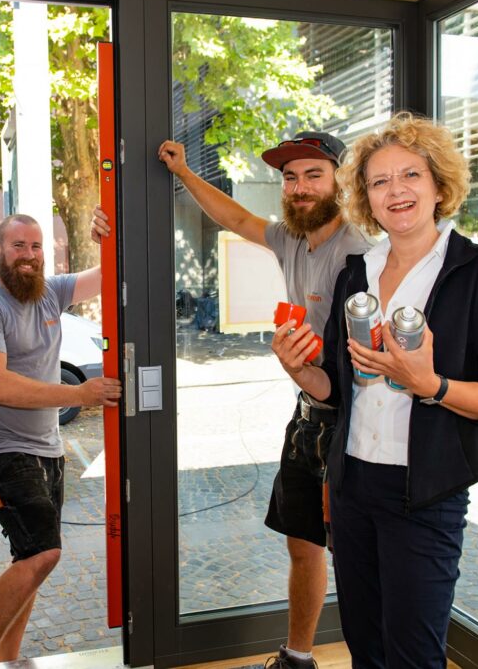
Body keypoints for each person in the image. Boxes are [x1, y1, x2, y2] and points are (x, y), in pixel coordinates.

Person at [271, 112, 478, 668]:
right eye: (379, 181)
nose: (396, 191)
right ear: (365, 198)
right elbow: (338, 391)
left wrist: (430, 385)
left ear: (439, 185)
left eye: (410, 175)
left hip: (425, 493)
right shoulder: (356, 274)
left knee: (413, 655)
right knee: (366, 646)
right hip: (352, 486)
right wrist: (301, 372)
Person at [154, 135, 370, 669]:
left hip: (353, 420)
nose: (299, 188)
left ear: (340, 180)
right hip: (308, 415)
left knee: (360, 555)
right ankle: (298, 658)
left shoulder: (360, 251)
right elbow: (236, 218)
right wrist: (184, 172)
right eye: (290, 177)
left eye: (312, 175)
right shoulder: (293, 238)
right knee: (302, 542)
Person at [0, 211, 122, 669]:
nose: (28, 256)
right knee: (43, 552)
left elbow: (108, 275)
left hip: (46, 449)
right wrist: (79, 393)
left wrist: (102, 237)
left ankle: (8, 662)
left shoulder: (50, 292)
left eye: (35, 247)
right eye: (18, 246)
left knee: (29, 559)